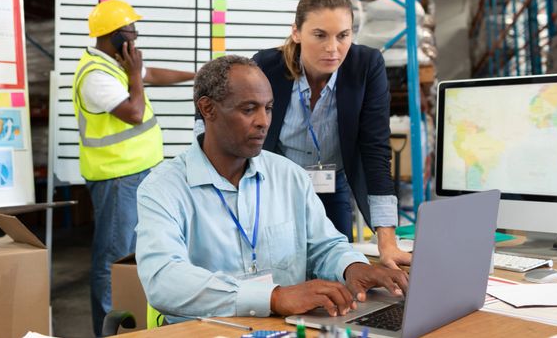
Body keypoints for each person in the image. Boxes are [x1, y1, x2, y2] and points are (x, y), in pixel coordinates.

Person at [136, 56, 408, 321]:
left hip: (283, 329)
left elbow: (323, 246)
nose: (263, 121)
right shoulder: (163, 189)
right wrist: (273, 297)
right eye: (248, 109)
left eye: (268, 108)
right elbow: (163, 279)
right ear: (207, 109)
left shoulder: (289, 176)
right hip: (209, 330)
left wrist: (352, 266)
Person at [253, 0, 411, 268]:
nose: (333, 48)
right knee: (282, 267)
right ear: (296, 32)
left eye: (343, 36)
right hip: (278, 186)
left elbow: (375, 152)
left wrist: (387, 242)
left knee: (339, 265)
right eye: (320, 35)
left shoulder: (366, 66)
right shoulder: (266, 66)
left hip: (331, 184)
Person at [72, 0, 195, 336]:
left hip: (137, 173)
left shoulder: (114, 63)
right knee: (114, 259)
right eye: (131, 32)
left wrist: (199, 75)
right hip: (117, 178)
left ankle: (133, 326)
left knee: (135, 254)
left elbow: (151, 74)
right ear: (113, 36)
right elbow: (134, 111)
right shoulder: (96, 75)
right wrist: (133, 75)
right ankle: (108, 331)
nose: (136, 39)